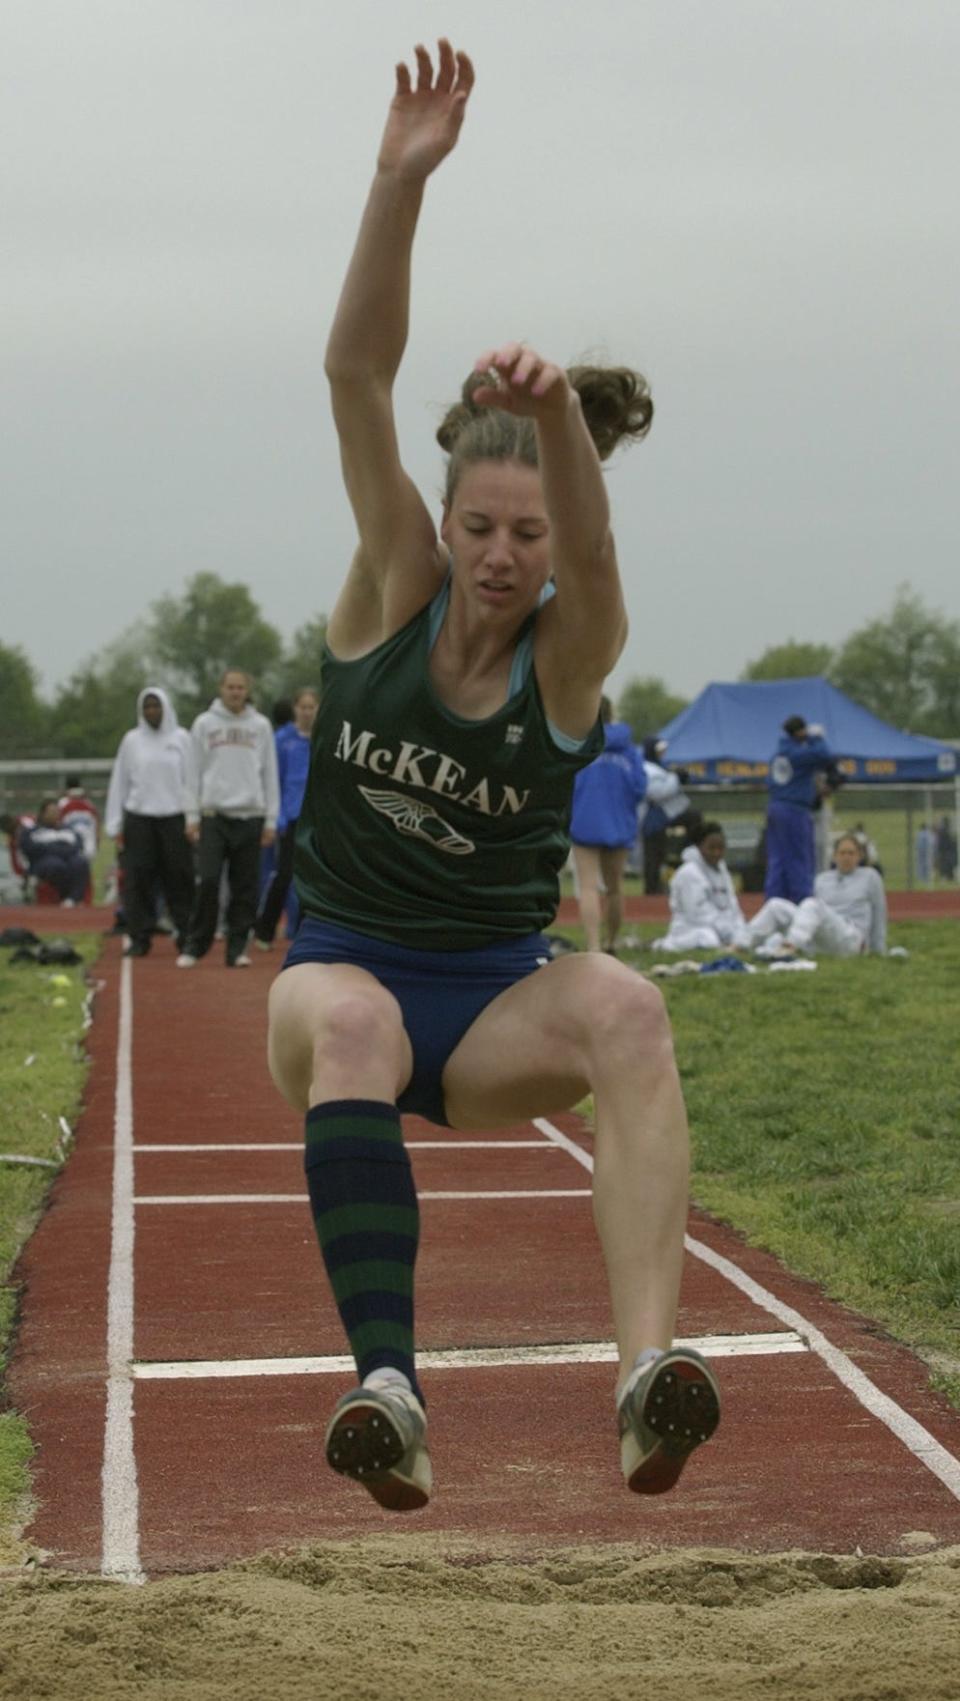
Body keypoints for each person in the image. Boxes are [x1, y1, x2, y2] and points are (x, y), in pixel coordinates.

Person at [266, 40, 720, 1517]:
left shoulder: (570, 657)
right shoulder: (395, 585)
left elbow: (594, 554)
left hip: (493, 1001)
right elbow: (354, 372)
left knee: (631, 1005)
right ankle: (389, 1392)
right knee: (344, 1019)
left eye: (528, 531)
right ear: (448, 520)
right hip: (348, 980)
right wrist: (400, 181)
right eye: (486, 525)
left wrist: (567, 428)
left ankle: (649, 1379)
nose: (506, 556)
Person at [176, 669, 279, 969]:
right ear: (221, 689)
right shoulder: (205, 724)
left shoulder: (260, 726)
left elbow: (270, 774)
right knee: (208, 880)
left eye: (240, 688)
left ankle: (236, 949)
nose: (235, 692)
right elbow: (192, 772)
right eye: (230, 687)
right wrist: (191, 815)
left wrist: (270, 819)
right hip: (213, 815)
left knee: (245, 887)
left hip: (250, 815)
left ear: (248, 691)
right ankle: (195, 945)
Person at [104, 688, 196, 958]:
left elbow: (191, 780)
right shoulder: (131, 741)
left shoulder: (181, 738)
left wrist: (193, 817)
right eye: (147, 707)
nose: (152, 712)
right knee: (138, 880)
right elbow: (119, 782)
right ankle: (139, 937)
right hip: (139, 819)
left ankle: (185, 934)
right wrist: (115, 823)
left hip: (174, 819)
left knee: (179, 880)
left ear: (166, 707)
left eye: (156, 706)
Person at [569, 696, 646, 954]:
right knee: (615, 888)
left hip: (583, 823)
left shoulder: (577, 745)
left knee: (588, 887)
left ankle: (593, 946)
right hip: (619, 824)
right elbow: (640, 787)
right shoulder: (629, 750)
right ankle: (611, 941)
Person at [746, 831, 887, 958]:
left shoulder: (870, 877)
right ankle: (740, 944)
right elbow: (810, 917)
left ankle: (790, 946)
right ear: (834, 856)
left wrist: (878, 950)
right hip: (823, 937)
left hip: (851, 938)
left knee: (812, 905)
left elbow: (879, 913)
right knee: (776, 906)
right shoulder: (822, 879)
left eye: (851, 853)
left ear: (859, 856)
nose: (846, 858)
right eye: (842, 853)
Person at [254, 686, 319, 947]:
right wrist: (277, 817)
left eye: (311, 707)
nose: (306, 712)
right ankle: (265, 931)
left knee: (314, 879)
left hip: (318, 818)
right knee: (284, 875)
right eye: (302, 707)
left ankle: (305, 932)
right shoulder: (281, 740)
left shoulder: (325, 737)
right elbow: (274, 780)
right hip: (291, 817)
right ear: (295, 709)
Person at [764, 715, 843, 903]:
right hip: (794, 809)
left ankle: (775, 900)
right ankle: (803, 900)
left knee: (778, 858)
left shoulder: (778, 753)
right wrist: (816, 737)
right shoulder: (798, 754)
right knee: (799, 857)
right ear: (800, 732)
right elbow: (824, 755)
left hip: (775, 807)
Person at [652, 821, 751, 953]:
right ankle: (665, 944)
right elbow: (697, 913)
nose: (716, 853)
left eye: (720, 848)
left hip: (724, 927)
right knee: (708, 939)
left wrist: (738, 928)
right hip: (691, 928)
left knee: (746, 937)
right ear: (699, 847)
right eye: (711, 848)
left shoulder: (722, 869)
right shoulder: (688, 872)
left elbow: (732, 904)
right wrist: (725, 930)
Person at [637, 738, 698, 894]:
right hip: (652, 817)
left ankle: (686, 853)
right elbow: (657, 793)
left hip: (663, 815)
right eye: (659, 750)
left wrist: (677, 777)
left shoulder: (658, 767)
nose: (662, 753)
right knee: (653, 852)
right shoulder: (647, 768)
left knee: (694, 818)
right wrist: (676, 778)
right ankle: (651, 888)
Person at [13, 799, 90, 905]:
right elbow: (31, 849)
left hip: (67, 860)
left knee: (80, 862)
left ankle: (73, 899)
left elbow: (77, 847)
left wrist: (52, 849)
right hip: (43, 864)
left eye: (57, 812)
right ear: (43, 814)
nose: (55, 815)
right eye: (52, 812)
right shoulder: (32, 832)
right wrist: (59, 850)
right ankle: (65, 895)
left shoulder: (69, 831)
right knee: (55, 865)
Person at [57, 776, 100, 868]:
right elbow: (96, 825)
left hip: (70, 845)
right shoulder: (89, 803)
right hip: (89, 844)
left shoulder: (62, 803)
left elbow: (57, 824)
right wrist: (97, 842)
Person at [915, 821, 935, 885]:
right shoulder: (928, 833)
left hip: (920, 851)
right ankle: (926, 877)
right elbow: (931, 842)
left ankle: (921, 877)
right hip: (927, 850)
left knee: (920, 864)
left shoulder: (919, 833)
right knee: (927, 863)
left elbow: (917, 844)